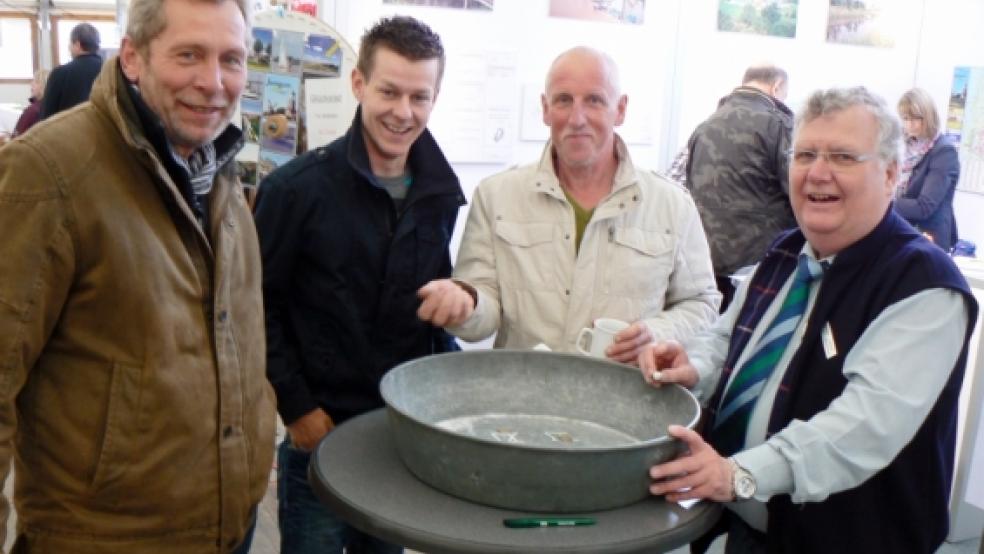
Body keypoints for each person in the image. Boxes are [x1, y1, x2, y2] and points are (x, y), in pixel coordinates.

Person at [640, 86, 977, 554]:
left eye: (842, 157)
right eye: (805, 154)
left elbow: (862, 428)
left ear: (892, 174)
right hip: (743, 527)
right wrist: (694, 365)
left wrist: (739, 474)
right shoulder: (786, 250)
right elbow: (725, 336)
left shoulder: (923, 285)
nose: (818, 173)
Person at [0, 0, 275, 550]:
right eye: (189, 55)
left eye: (232, 59)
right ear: (132, 57)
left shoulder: (215, 165)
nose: (214, 82)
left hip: (229, 525)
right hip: (109, 539)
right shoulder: (49, 173)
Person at [253, 15, 462, 554]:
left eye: (421, 97)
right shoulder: (294, 190)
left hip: (399, 438)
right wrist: (296, 407)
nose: (403, 112)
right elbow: (258, 306)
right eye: (390, 91)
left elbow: (428, 306)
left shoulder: (440, 194)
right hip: (318, 435)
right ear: (359, 84)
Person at [417, 46, 719, 362]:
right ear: (545, 108)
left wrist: (657, 332)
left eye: (594, 100)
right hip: (523, 399)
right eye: (563, 100)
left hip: (625, 403)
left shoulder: (671, 206)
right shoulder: (497, 197)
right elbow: (484, 309)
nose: (577, 119)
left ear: (621, 109)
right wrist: (467, 305)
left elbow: (702, 302)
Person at [685, 64, 795, 311]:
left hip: (706, 259)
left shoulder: (705, 126)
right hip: (759, 266)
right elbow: (798, 192)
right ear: (776, 86)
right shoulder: (777, 124)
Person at [895, 87, 961, 253]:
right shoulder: (903, 145)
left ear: (929, 116)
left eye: (916, 118)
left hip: (929, 238)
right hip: (901, 229)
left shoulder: (944, 151)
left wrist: (885, 203)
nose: (910, 124)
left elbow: (924, 206)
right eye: (905, 118)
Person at [40, 22, 103, 119]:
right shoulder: (112, 72)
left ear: (77, 44)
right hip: (104, 133)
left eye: (70, 44)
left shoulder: (60, 74)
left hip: (68, 132)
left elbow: (46, 118)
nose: (69, 47)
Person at [12, 69, 50, 136]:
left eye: (36, 81)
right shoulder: (53, 107)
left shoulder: (32, 110)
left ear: (43, 86)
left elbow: (16, 138)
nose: (31, 84)